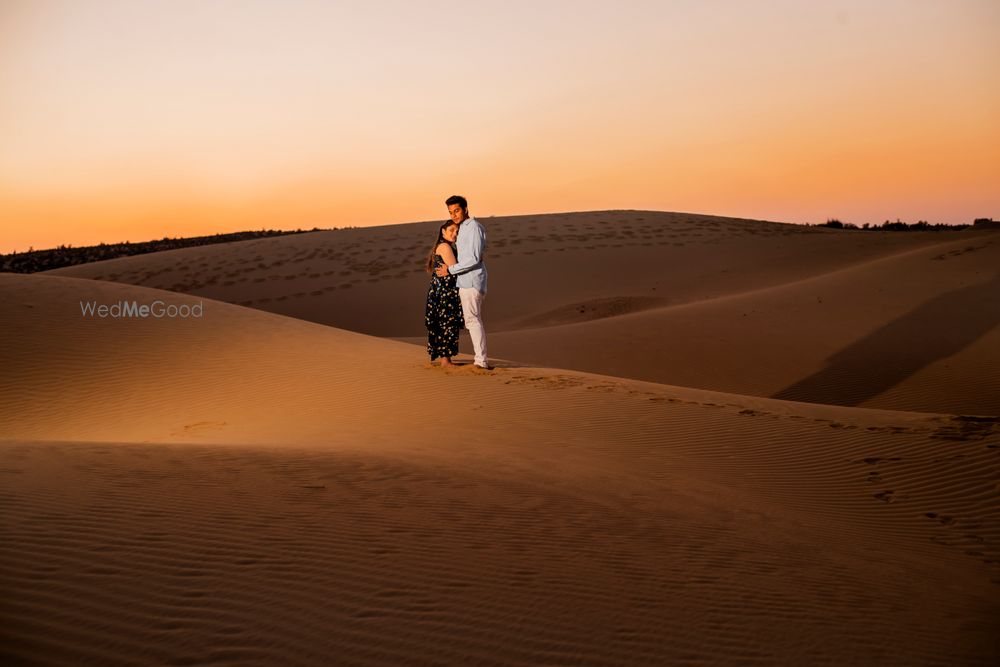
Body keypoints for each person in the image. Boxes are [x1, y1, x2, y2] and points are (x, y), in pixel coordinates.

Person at [435, 194, 490, 369]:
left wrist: (449, 270)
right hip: (466, 281)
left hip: (472, 281)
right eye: (451, 212)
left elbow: (473, 259)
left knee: (473, 320)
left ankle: (481, 361)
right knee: (472, 320)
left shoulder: (472, 227)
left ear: (465, 209)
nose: (454, 215)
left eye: (457, 210)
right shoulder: (464, 228)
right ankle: (480, 359)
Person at [424, 221, 464, 366]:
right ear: (443, 231)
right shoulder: (445, 247)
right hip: (445, 293)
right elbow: (456, 269)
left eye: (457, 231)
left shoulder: (445, 246)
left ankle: (445, 359)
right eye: (452, 230)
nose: (455, 233)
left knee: (444, 323)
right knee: (446, 323)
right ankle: (445, 361)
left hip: (442, 291)